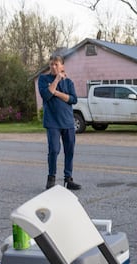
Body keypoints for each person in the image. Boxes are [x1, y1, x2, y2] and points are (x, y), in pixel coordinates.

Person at [38, 54, 81, 190]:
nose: (53, 66)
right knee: (54, 150)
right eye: (51, 64)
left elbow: (73, 99)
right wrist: (56, 80)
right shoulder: (43, 79)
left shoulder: (68, 82)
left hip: (68, 122)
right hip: (52, 123)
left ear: (62, 66)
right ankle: (51, 178)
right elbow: (46, 95)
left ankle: (68, 179)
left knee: (69, 151)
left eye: (56, 64)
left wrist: (56, 93)